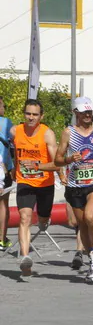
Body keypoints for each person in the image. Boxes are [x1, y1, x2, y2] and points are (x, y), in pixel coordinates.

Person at [54, 97, 93, 282]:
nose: (88, 115)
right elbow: (58, 159)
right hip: (75, 185)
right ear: (76, 113)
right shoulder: (68, 133)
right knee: (81, 225)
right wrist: (70, 160)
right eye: (84, 112)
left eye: (90, 111)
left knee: (90, 216)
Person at [11, 99, 59, 279]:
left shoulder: (48, 134)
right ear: (24, 114)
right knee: (24, 217)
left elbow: (56, 165)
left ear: (41, 116)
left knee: (43, 218)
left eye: (35, 114)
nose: (31, 117)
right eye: (28, 113)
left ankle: (44, 219)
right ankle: (25, 257)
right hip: (25, 182)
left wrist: (37, 166)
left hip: (45, 183)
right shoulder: (15, 131)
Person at [0, 96, 14, 251]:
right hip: (3, 168)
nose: (4, 109)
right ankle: (2, 239)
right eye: (3, 105)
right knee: (3, 204)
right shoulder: (6, 123)